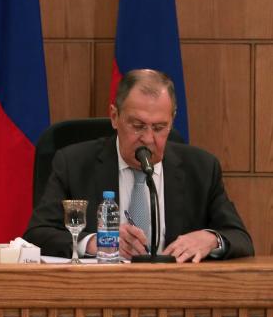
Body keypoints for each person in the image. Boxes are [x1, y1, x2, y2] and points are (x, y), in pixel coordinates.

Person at [24, 69, 251, 262]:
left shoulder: (201, 168)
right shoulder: (74, 164)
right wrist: (96, 243)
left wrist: (211, 239)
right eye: (138, 126)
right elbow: (38, 234)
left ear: (172, 121)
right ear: (114, 117)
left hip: (177, 299)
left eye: (159, 127)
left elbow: (240, 238)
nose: (148, 139)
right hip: (97, 296)